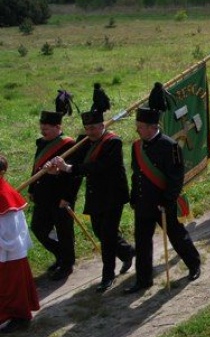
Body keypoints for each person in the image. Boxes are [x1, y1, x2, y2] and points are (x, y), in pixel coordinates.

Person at [53, 111, 134, 293]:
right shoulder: (85, 140)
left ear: (102, 125)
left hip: (113, 195)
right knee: (100, 231)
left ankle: (107, 276)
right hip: (95, 195)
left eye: (93, 128)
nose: (90, 132)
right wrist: (58, 167)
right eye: (87, 128)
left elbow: (100, 167)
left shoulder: (113, 142)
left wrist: (70, 168)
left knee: (107, 236)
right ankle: (126, 251)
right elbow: (75, 162)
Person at [126, 107, 201, 294]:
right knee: (142, 242)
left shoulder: (171, 146)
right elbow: (137, 175)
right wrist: (134, 197)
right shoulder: (136, 146)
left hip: (163, 204)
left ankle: (194, 264)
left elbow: (176, 178)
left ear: (153, 127)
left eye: (141, 127)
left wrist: (167, 201)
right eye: (137, 126)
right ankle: (143, 280)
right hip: (144, 203)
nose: (138, 130)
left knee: (177, 236)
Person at [28, 111, 79, 281]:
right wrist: (32, 189)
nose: (43, 132)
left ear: (58, 127)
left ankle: (67, 264)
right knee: (38, 228)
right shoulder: (42, 143)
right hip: (42, 195)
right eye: (42, 128)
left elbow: (74, 175)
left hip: (60, 197)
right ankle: (61, 254)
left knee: (64, 231)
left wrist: (67, 197)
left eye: (47, 129)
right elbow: (36, 167)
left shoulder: (69, 144)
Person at [0, 154, 40, 333]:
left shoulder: (4, 196)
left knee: (11, 287)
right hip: (6, 252)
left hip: (8, 253)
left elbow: (10, 231)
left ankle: (15, 317)